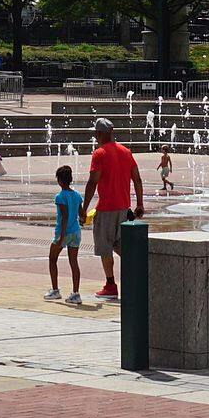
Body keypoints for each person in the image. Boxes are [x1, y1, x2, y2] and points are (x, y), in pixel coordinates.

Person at [85, 118, 144, 301]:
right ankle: (139, 276)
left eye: (96, 134)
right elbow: (137, 179)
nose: (95, 137)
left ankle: (110, 285)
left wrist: (83, 208)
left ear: (100, 134)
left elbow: (93, 181)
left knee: (105, 248)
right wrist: (140, 204)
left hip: (106, 208)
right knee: (121, 245)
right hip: (123, 208)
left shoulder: (99, 153)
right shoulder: (125, 151)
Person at [46, 162, 86, 305]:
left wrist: (61, 236)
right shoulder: (76, 195)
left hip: (64, 232)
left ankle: (55, 290)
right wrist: (83, 219)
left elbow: (64, 216)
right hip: (76, 232)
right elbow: (82, 214)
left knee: (52, 259)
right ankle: (76, 293)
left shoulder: (60, 196)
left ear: (60, 180)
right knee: (74, 262)